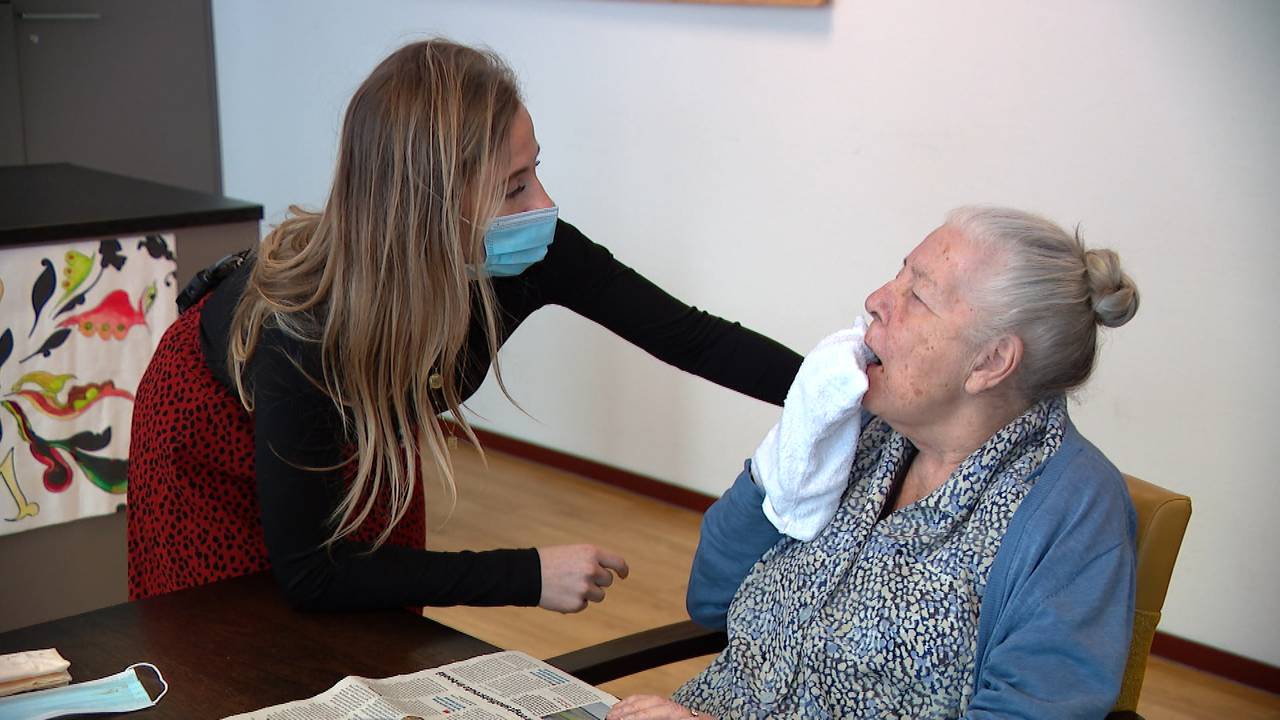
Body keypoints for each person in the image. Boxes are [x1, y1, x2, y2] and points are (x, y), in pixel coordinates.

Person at [126, 39, 801, 613]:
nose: (544, 204)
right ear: (426, 207)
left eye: (536, 171)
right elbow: (313, 574)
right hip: (210, 442)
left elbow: (694, 338)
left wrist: (838, 387)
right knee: (233, 644)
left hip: (360, 428)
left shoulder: (531, 253)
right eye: (514, 187)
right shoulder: (305, 331)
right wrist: (529, 575)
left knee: (383, 631)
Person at [608, 207, 1141, 719]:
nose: (876, 301)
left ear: (990, 362)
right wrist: (792, 445)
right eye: (897, 274)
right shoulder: (857, 430)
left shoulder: (1074, 512)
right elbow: (711, 599)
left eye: (919, 296)